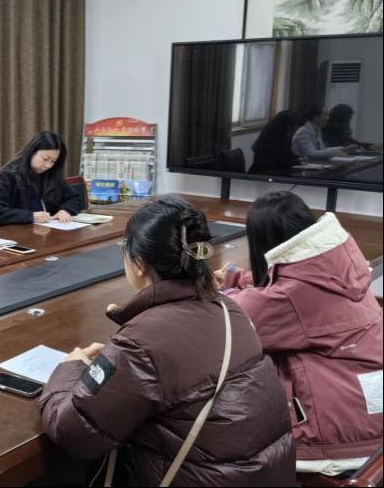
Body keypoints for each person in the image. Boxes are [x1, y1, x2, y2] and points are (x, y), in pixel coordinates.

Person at [40, 196, 294, 486]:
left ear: (138, 264)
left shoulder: (140, 343)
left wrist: (70, 368)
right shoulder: (228, 308)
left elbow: (75, 434)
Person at [219, 191, 383, 476]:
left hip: (344, 439)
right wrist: (239, 277)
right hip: (369, 409)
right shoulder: (340, 265)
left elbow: (230, 315)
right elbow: (290, 286)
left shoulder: (291, 299)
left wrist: (224, 288)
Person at [0, 131, 82, 226]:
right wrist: (31, 216)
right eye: (45, 159)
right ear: (32, 152)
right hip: (13, 231)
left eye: (53, 161)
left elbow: (75, 198)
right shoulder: (7, 176)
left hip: (46, 230)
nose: (48, 165)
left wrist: (65, 210)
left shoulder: (52, 174)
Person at [292, 103, 357, 160]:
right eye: (325, 115)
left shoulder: (317, 131)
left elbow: (323, 149)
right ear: (315, 117)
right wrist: (339, 150)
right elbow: (310, 154)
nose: (328, 118)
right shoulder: (304, 132)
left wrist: (343, 149)